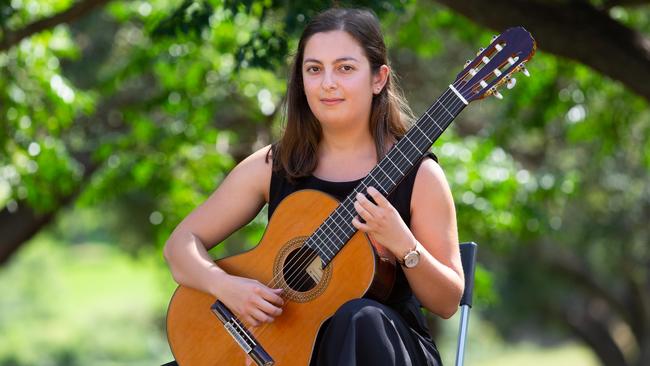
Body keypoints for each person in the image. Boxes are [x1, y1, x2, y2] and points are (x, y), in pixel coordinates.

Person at [163, 7, 464, 366]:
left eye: (345, 68)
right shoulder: (277, 165)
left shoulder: (420, 176)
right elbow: (181, 245)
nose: (328, 83)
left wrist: (404, 245)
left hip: (382, 350)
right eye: (314, 69)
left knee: (359, 318)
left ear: (378, 78)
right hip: (289, 349)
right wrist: (228, 288)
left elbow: (446, 303)